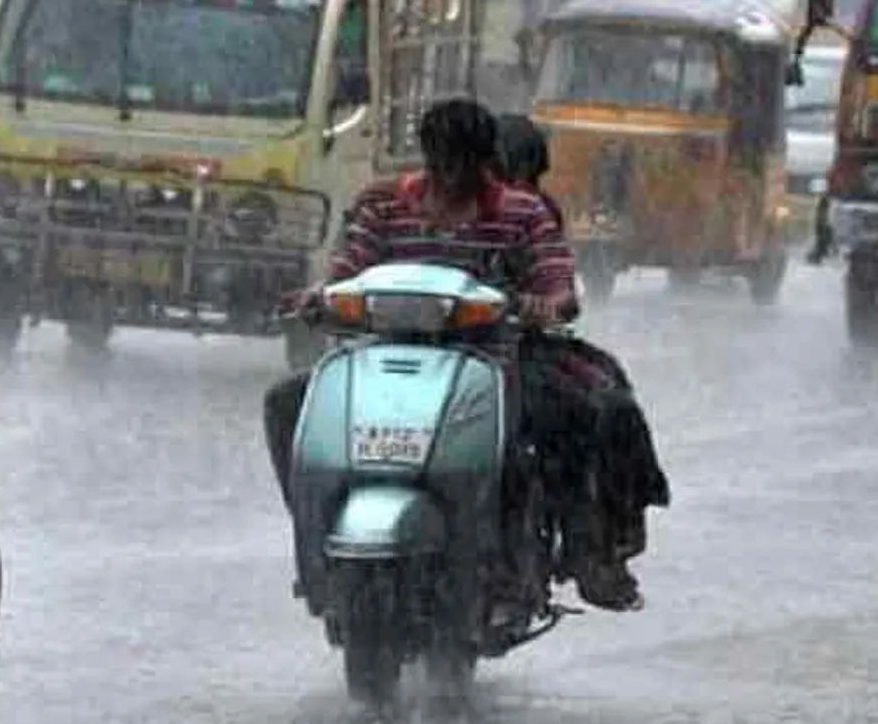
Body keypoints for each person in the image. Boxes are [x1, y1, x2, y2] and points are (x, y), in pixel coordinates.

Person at [263, 98, 645, 611]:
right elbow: (345, 271)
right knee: (286, 404)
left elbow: (557, 287)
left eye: (464, 163)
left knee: (558, 425)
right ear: (426, 155)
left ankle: (562, 554)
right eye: (441, 160)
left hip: (488, 363)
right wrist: (317, 298)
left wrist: (542, 305)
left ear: (485, 161)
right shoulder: (384, 206)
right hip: (382, 358)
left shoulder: (522, 215)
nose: (451, 176)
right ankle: (316, 544)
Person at [493, 112, 671, 569]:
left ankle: (595, 542)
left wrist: (539, 304)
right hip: (448, 349)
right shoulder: (423, 207)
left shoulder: (531, 213)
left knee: (602, 403)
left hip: (515, 348)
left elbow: (557, 283)